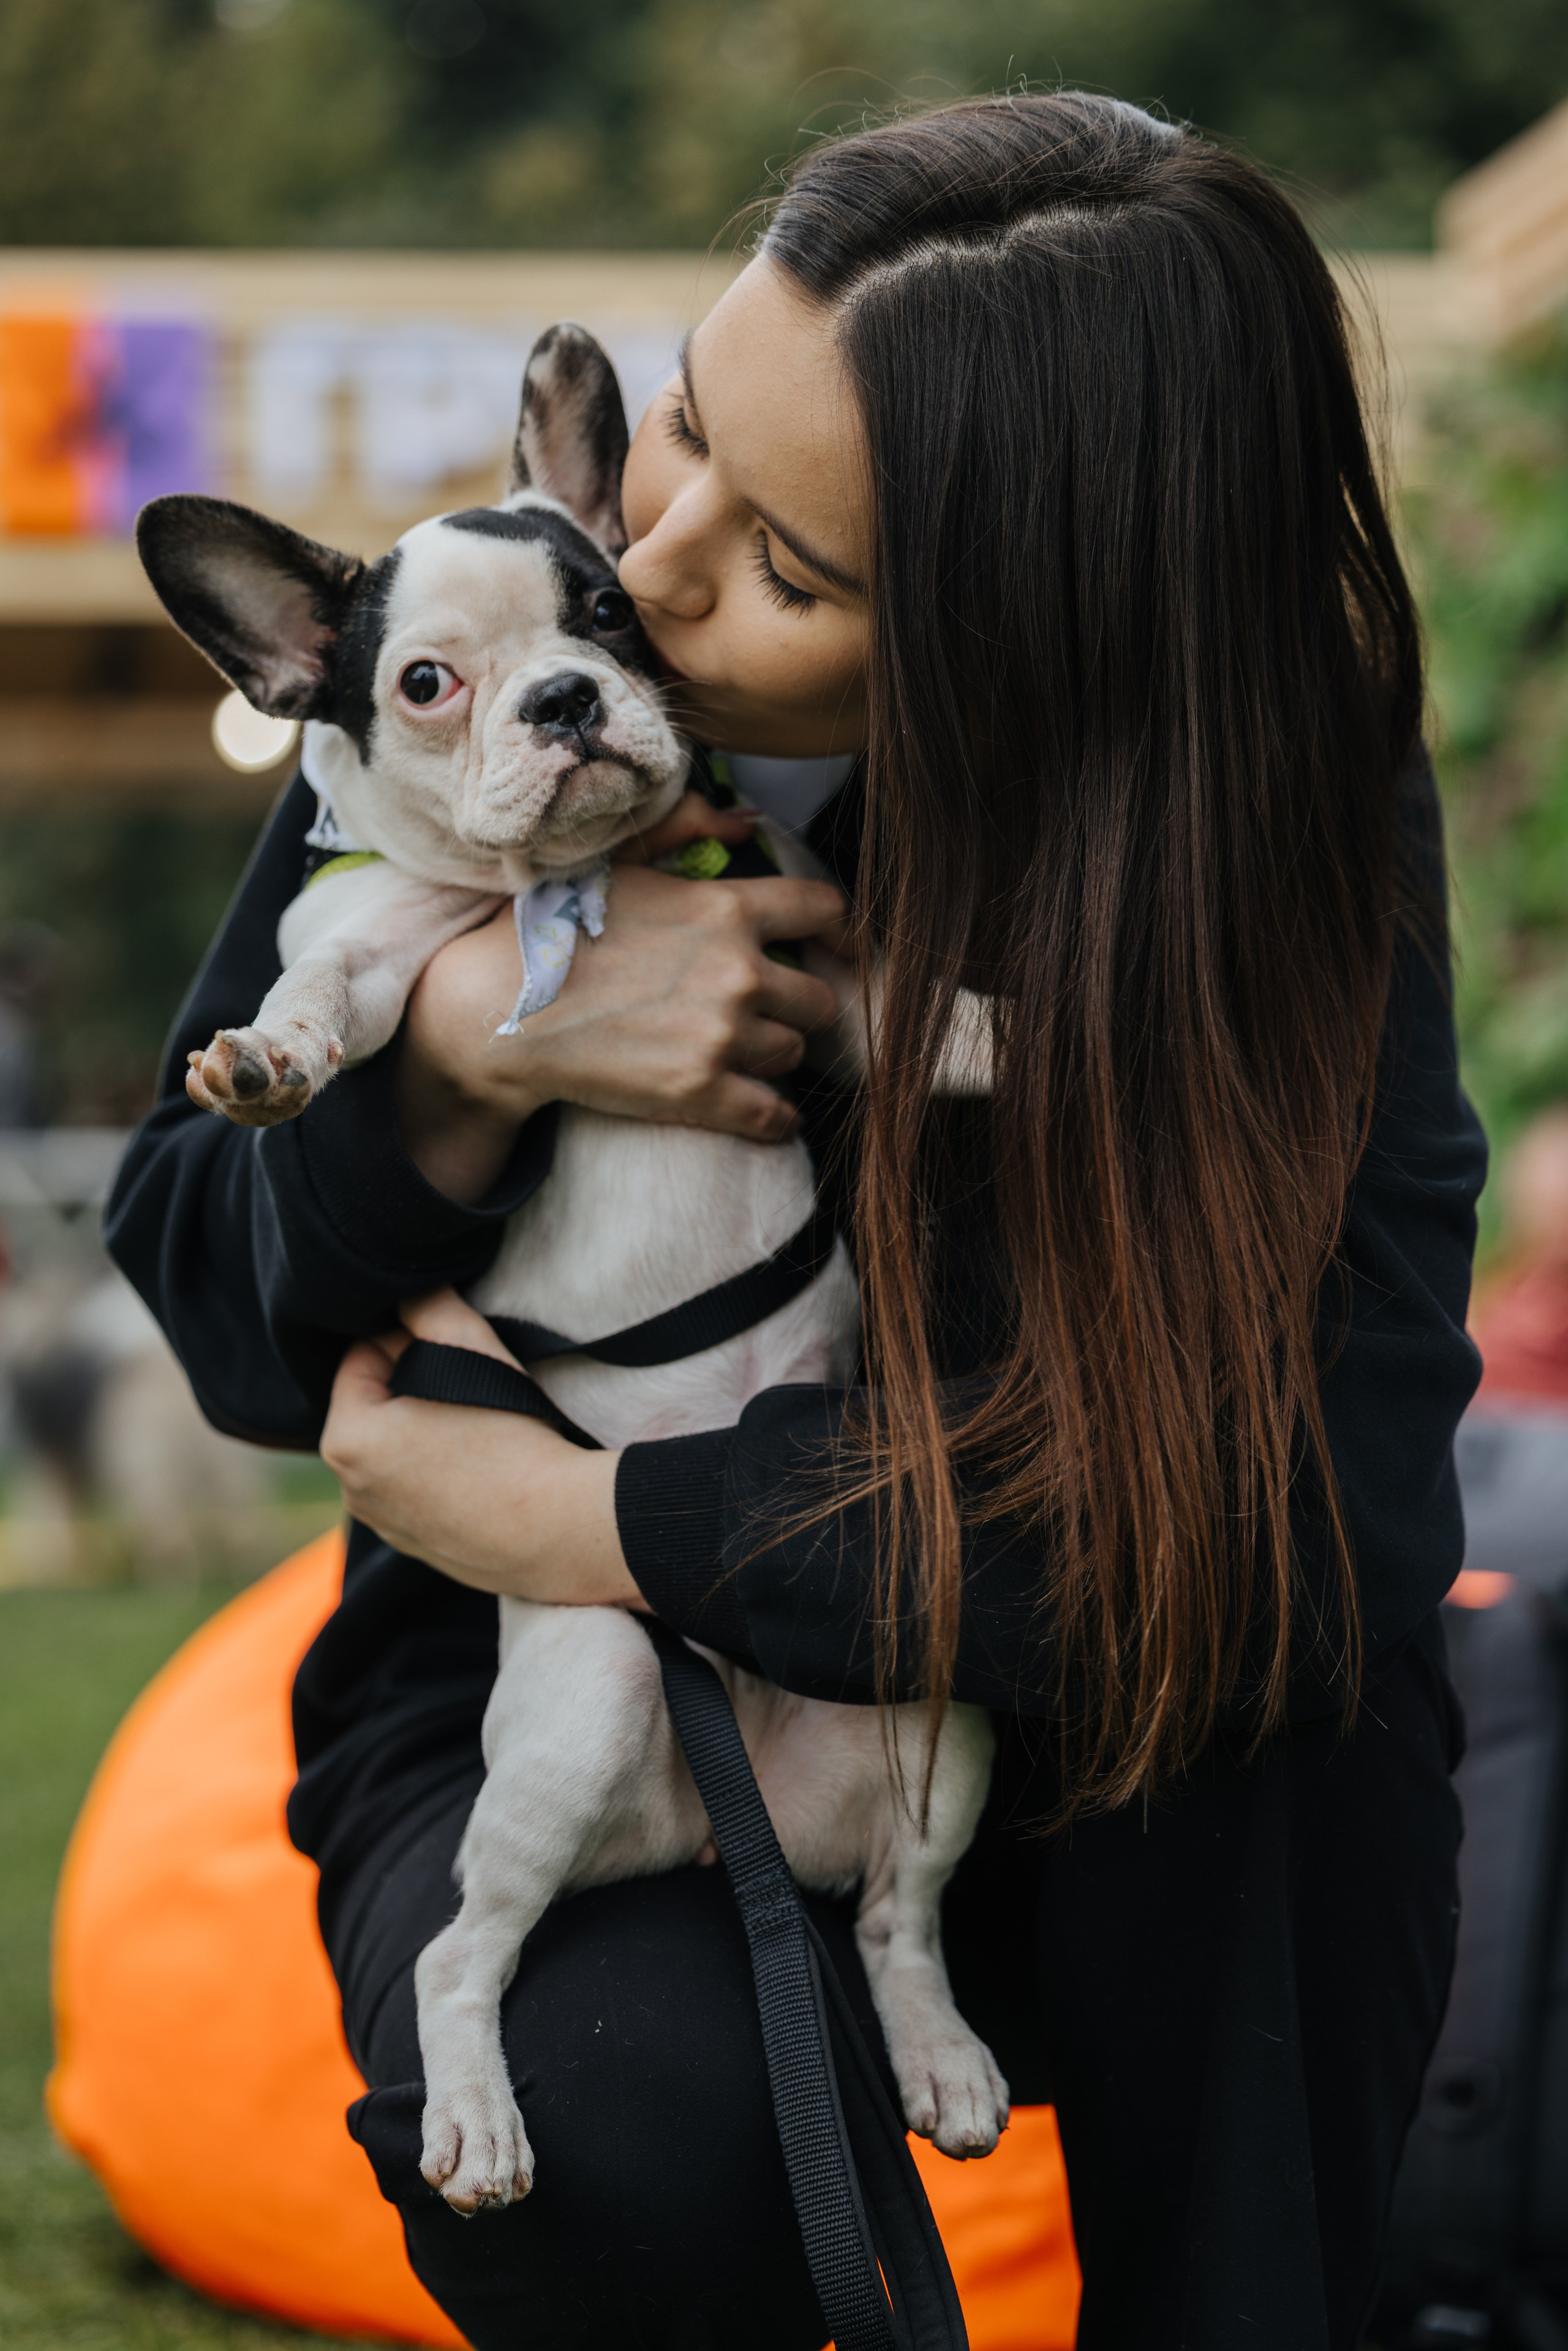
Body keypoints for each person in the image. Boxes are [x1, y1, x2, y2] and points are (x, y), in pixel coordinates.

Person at [107, 94, 1485, 2351]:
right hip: (545, 1688)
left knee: (1305, 1792)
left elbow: (1310, 1518)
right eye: (684, 439)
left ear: (1042, 645)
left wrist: (613, 1519)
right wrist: (475, 1049)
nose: (645, 575)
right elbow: (214, 1297)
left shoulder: (1281, 817)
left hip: (1058, 1663)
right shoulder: (490, 679)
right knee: (632, 2135)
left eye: (789, 572)